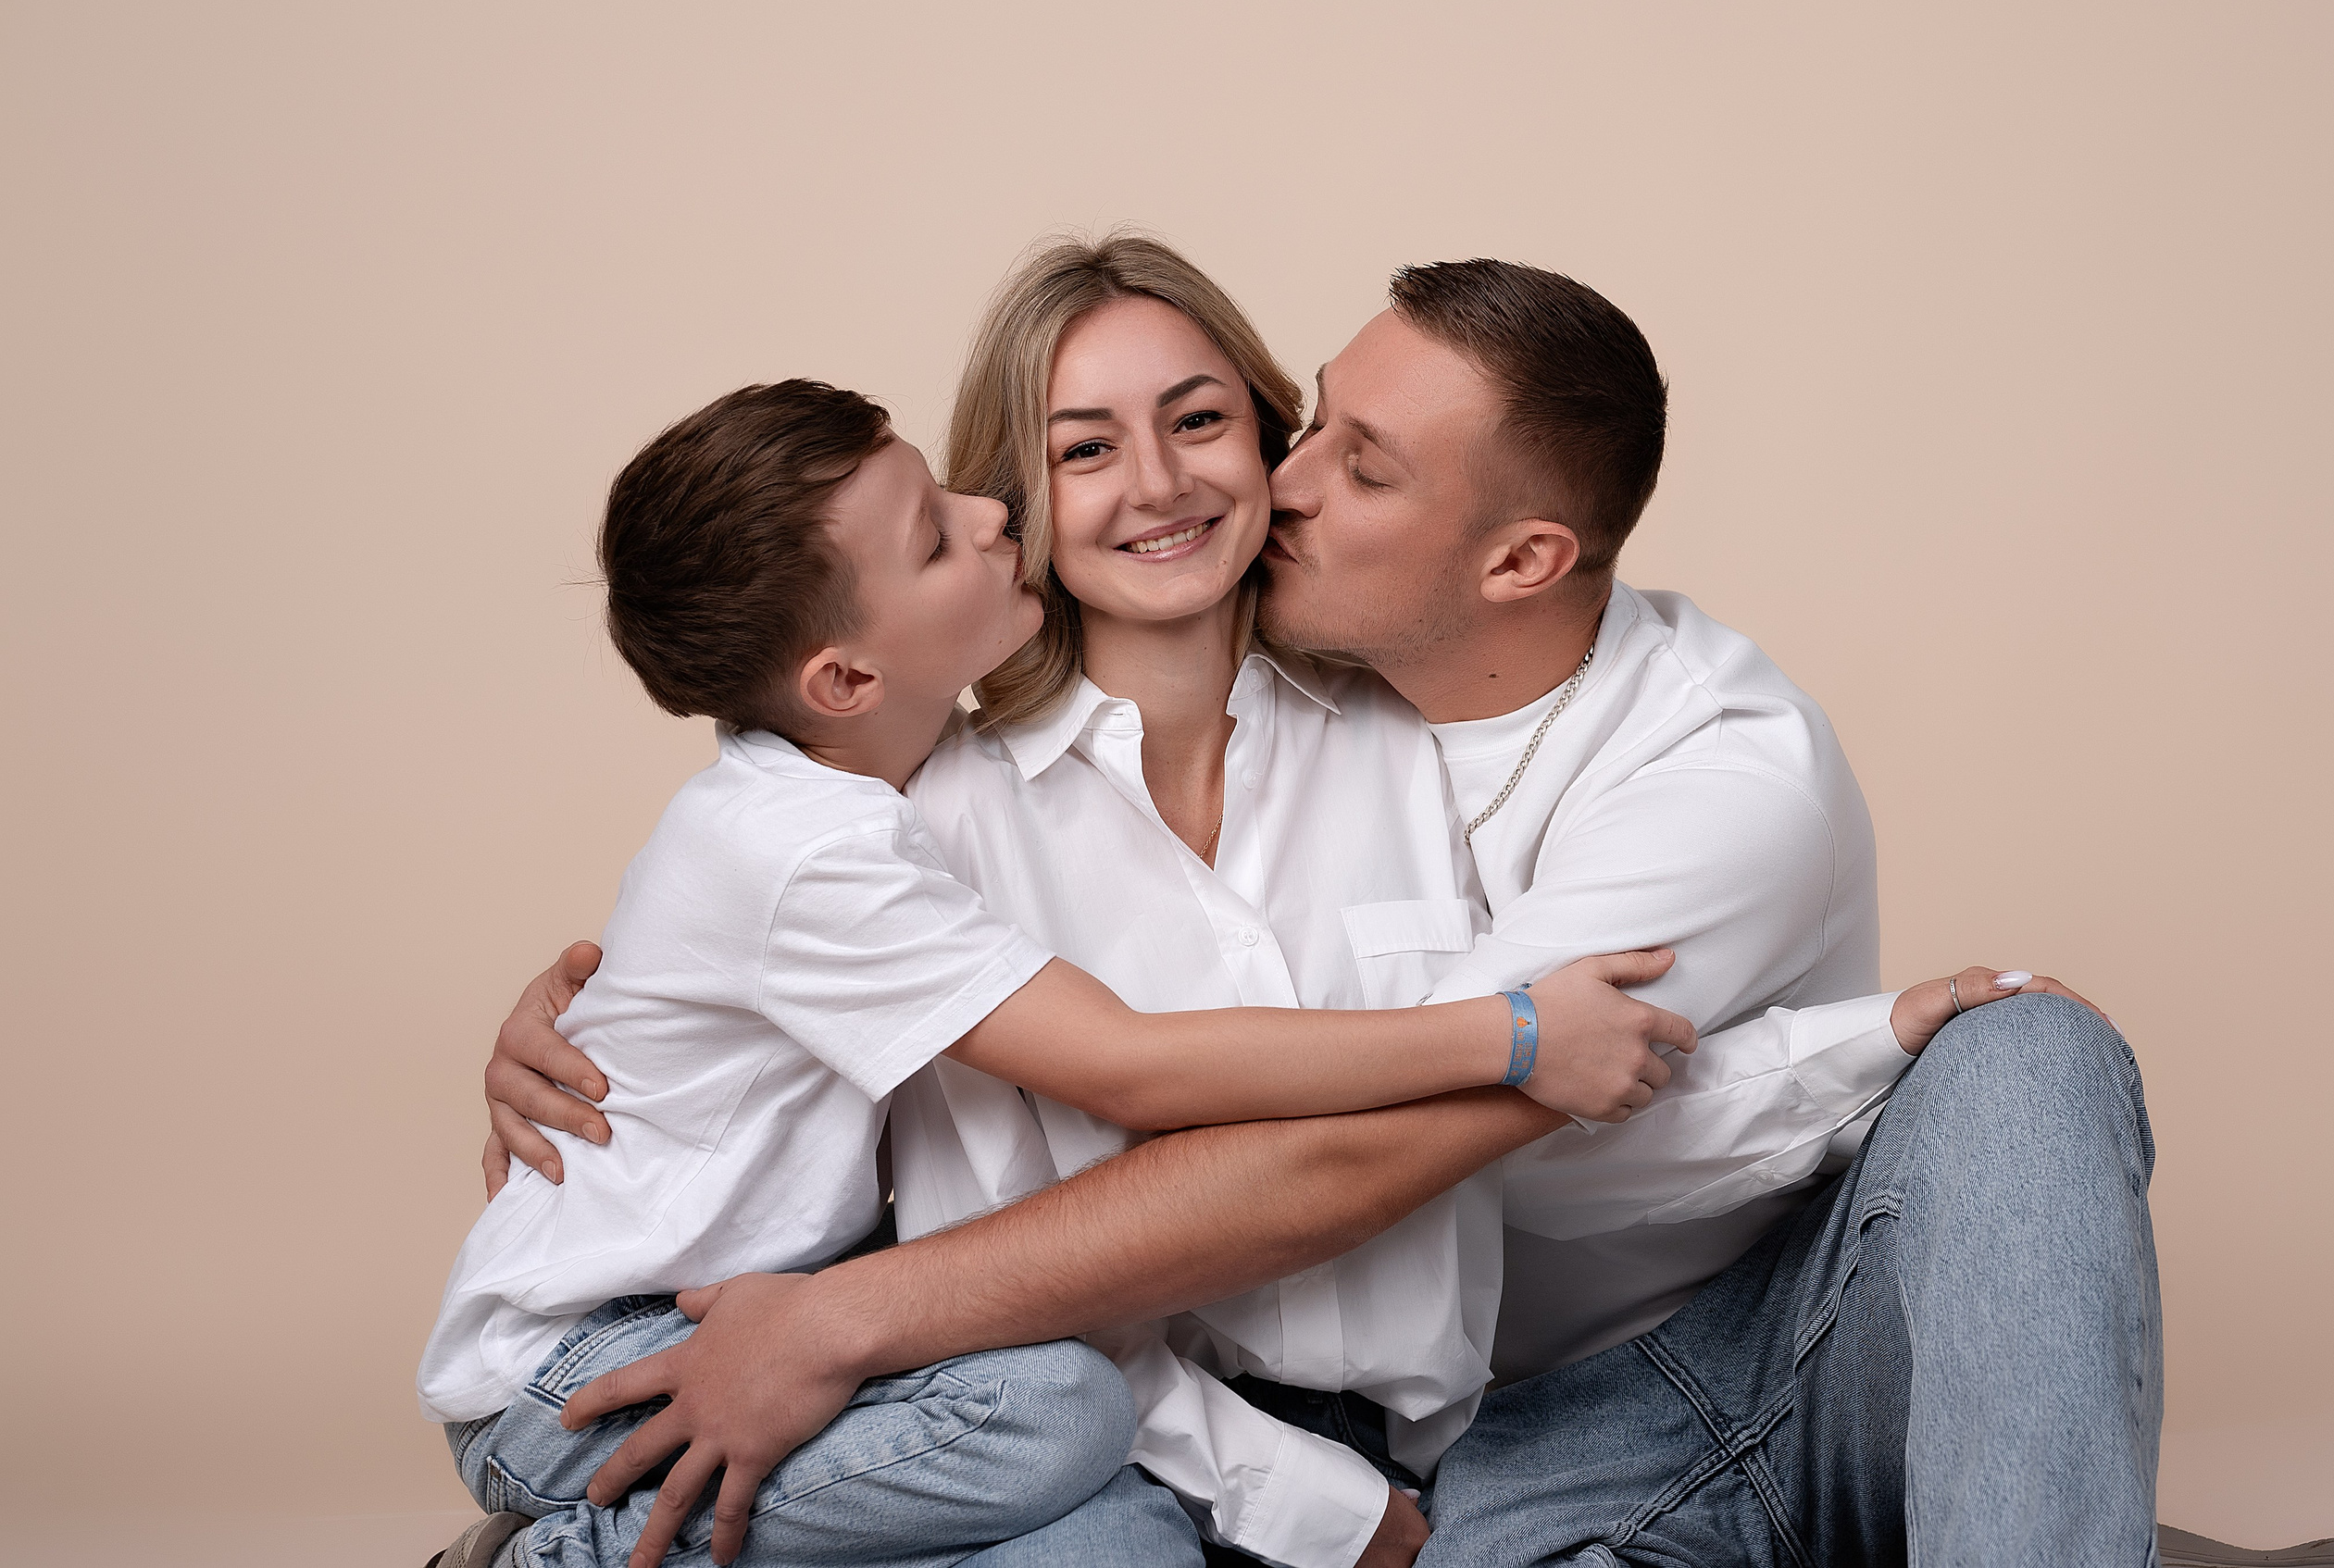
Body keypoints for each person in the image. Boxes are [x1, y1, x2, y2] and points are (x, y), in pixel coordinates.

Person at [482, 245, 2149, 1567]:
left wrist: (1865, 1044)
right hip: (1276, 1452)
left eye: (1213, 422)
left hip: (1502, 1423)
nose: (1178, 485)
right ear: (1014, 507)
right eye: (1082, 449)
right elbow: (834, 1021)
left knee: (2027, 1064)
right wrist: (584, 1022)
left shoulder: (1415, 737)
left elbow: (1510, 1114)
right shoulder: (936, 818)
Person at [420, 376, 1698, 1568]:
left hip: (744, 1315)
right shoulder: (824, 846)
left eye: (1200, 421)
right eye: (936, 535)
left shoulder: (832, 811)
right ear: (849, 675)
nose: (993, 515)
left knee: (1077, 1465)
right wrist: (1518, 1037)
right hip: (601, 1355)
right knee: (1057, 1412)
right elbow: (1131, 1064)